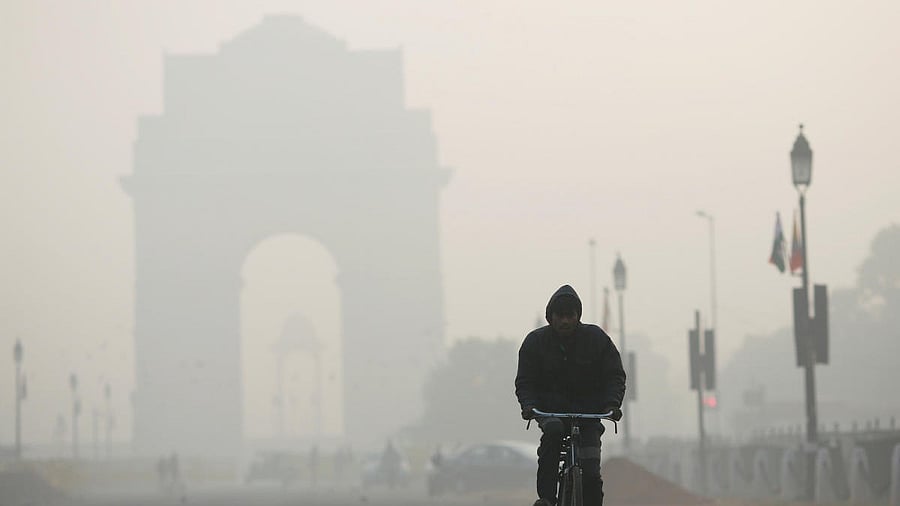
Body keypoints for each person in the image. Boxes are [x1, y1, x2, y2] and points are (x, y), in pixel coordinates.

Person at [515, 284, 626, 506]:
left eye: (570, 315)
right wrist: (529, 405)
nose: (565, 321)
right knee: (553, 433)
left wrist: (612, 404)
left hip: (589, 417)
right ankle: (546, 498)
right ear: (551, 317)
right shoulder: (535, 343)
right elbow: (525, 382)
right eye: (560, 316)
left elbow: (614, 376)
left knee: (592, 472)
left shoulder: (596, 340)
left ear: (578, 316)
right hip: (551, 413)